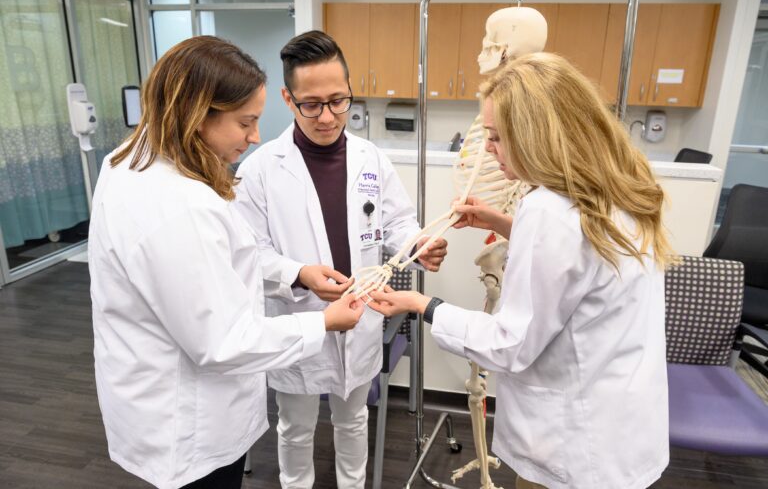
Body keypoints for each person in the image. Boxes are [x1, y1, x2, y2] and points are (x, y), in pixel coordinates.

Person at [368, 52, 673, 489]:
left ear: (536, 135)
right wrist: (504, 223)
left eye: (496, 137)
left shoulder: (548, 211)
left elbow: (510, 344)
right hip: (620, 425)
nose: (488, 151)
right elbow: (586, 260)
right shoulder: (620, 183)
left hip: (574, 445)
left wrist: (423, 304)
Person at [88, 36, 364, 489]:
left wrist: (295, 272)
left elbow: (211, 268)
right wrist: (323, 324)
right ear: (198, 112)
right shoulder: (180, 205)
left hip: (152, 397)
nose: (254, 136)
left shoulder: (127, 163)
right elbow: (222, 341)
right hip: (189, 422)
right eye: (245, 122)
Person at [233, 30, 447, 489]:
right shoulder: (260, 170)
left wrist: (419, 245)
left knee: (354, 419)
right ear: (289, 100)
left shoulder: (372, 159)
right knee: (296, 425)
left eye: (338, 100)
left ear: (350, 91)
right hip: (297, 315)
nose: (328, 116)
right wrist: (301, 275)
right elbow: (250, 253)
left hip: (359, 315)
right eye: (312, 104)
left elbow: (397, 225)